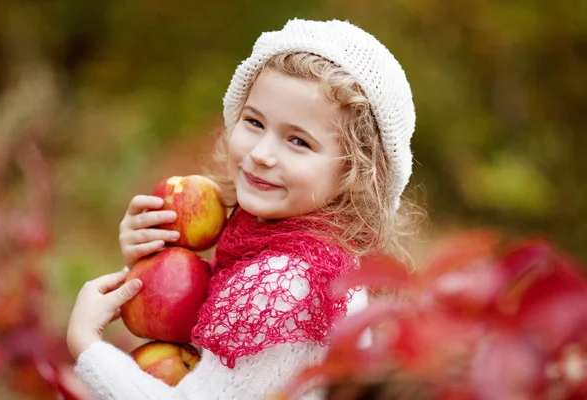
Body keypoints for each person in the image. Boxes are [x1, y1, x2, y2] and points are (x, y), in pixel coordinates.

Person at [66, 18, 419, 399]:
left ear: (355, 172)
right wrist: (148, 265)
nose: (261, 153)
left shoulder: (289, 279)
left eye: (298, 141)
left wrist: (86, 344)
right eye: (254, 122)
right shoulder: (278, 244)